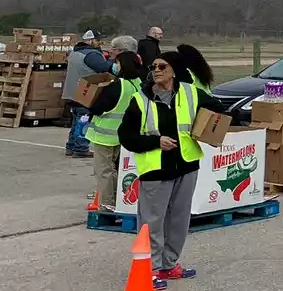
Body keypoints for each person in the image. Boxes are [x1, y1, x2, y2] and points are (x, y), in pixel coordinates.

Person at [118, 51, 223, 288]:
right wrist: (156, 142)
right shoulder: (139, 99)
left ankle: (169, 264)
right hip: (156, 170)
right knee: (152, 222)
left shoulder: (191, 92)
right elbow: (126, 137)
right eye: (153, 66)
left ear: (174, 70)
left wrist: (211, 129)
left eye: (162, 66)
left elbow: (219, 110)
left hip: (186, 166)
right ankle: (151, 269)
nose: (156, 70)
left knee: (179, 219)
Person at [85, 41, 144, 210]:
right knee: (120, 170)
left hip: (106, 135)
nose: (114, 66)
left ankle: (107, 203)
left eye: (117, 63)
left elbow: (98, 107)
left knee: (104, 171)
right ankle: (122, 200)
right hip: (126, 134)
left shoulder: (118, 85)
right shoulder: (140, 84)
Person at [62, 30, 112, 158]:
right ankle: (81, 148)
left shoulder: (74, 52)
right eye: (98, 40)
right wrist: (113, 62)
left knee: (76, 120)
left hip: (73, 92)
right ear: (90, 40)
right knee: (84, 121)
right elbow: (104, 68)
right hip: (86, 93)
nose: (101, 42)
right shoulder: (91, 54)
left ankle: (71, 146)